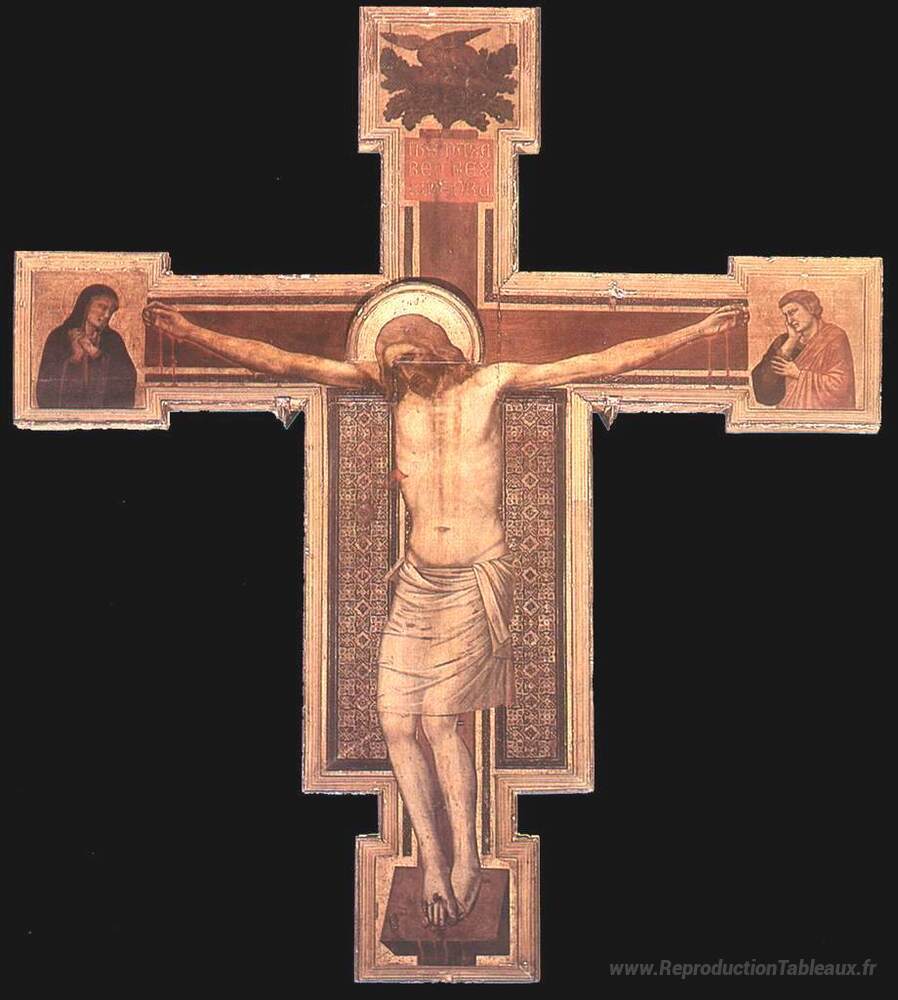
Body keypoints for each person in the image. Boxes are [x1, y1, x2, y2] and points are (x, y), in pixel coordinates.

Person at [143, 297, 746, 928]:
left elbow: (599, 361)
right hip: (417, 581)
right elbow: (280, 361)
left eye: (410, 358)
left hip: (473, 578)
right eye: (392, 362)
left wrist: (699, 330)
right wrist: (187, 330)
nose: (403, 370)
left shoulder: (492, 382)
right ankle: (433, 859)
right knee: (395, 722)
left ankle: (468, 858)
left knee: (437, 722)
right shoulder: (391, 390)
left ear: (440, 350)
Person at [36, 284, 137, 409]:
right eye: (102, 307)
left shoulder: (113, 340)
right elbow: (46, 385)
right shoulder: (59, 337)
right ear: (86, 305)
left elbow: (128, 378)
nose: (107, 315)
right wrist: (74, 359)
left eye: (111, 311)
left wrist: (95, 354)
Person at [751, 290, 855, 409]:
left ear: (810, 308)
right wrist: (791, 341)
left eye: (792, 312)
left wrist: (798, 375)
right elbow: (763, 391)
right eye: (786, 315)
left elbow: (841, 387)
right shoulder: (783, 341)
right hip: (787, 414)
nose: (789, 320)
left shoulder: (834, 337)